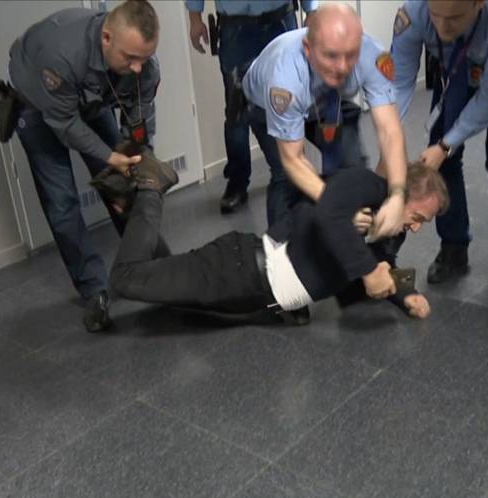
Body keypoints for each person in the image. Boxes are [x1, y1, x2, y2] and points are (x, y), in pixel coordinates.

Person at [98, 161, 448, 323]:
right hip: (238, 270)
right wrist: (355, 233)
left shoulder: (392, 231)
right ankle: (149, 188)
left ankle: (131, 209)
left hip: (251, 298)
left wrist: (405, 296)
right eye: (418, 217)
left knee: (163, 287)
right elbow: (315, 213)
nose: (416, 228)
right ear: (403, 195)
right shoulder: (364, 184)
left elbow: (379, 267)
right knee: (126, 278)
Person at [8, 0, 164, 332]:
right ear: (106, 38)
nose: (138, 68)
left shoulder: (142, 67)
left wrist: (133, 167)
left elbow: (139, 125)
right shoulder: (61, 53)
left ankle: (151, 267)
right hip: (38, 107)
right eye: (130, 58)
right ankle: (94, 289)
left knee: (124, 181)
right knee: (62, 202)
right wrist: (110, 158)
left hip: (89, 98)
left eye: (145, 58)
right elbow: (64, 124)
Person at [390, 0, 488, 287]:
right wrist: (391, 136)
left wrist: (446, 145)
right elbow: (400, 82)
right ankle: (453, 246)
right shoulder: (414, 11)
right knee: (441, 164)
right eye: (437, 16)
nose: (443, 28)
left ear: (479, 3)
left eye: (454, 18)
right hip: (454, 74)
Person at [241, 3, 409, 238]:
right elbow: (293, 160)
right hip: (265, 105)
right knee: (285, 178)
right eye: (331, 56)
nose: (342, 67)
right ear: (308, 49)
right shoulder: (285, 79)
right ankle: (280, 248)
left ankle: (350, 243)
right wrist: (339, 208)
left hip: (326, 101)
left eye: (351, 55)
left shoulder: (372, 55)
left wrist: (398, 195)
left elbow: (390, 132)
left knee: (351, 165)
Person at [186, 0, 317, 220]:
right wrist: (194, 17)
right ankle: (238, 182)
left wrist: (311, 10)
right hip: (235, 28)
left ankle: (291, 173)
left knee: (287, 102)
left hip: (279, 21)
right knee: (237, 111)